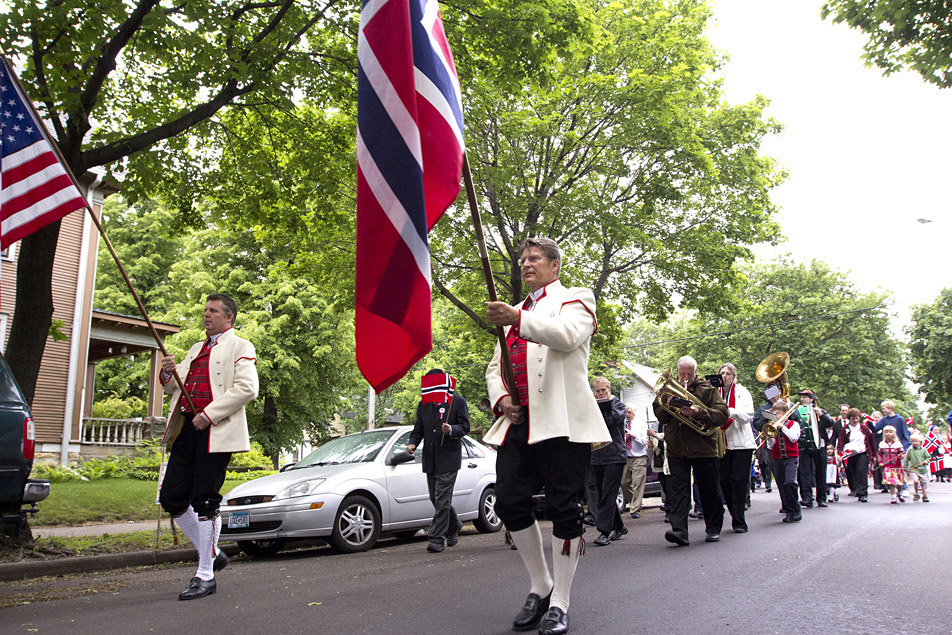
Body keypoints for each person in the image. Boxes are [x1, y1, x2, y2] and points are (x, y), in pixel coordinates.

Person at [484, 237, 609, 635]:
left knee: (564, 508)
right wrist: (502, 398)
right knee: (509, 501)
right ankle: (540, 585)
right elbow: (495, 366)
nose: (526, 264)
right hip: (520, 424)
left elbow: (567, 335)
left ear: (554, 265)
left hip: (562, 422)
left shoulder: (575, 298)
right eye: (522, 259)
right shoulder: (516, 311)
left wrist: (516, 320)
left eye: (534, 258)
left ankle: (561, 603)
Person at [159, 294, 258, 600]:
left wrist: (209, 415)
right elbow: (175, 386)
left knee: (205, 501)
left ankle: (205, 575)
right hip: (187, 430)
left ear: (229, 317)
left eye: (213, 311)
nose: (206, 315)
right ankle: (212, 552)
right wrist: (167, 371)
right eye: (205, 310)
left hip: (216, 432)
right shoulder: (195, 349)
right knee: (172, 497)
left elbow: (247, 388)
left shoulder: (241, 346)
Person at [652, 356, 729, 546]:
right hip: (677, 448)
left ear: (695, 372)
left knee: (708, 488)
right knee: (677, 490)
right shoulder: (668, 390)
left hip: (703, 448)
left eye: (689, 374)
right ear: (677, 373)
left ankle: (713, 528)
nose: (685, 377)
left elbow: (722, 414)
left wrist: (698, 413)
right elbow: (659, 413)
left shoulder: (708, 389)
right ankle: (679, 530)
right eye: (682, 374)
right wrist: (667, 405)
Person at [408, 369, 471, 553]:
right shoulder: (423, 404)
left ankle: (436, 538)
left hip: (449, 458)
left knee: (442, 499)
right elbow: (418, 429)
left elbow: (465, 426)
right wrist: (412, 444)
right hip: (430, 459)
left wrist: (451, 430)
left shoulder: (457, 402)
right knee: (435, 498)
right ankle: (454, 526)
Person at [716, 363, 756, 533]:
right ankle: (735, 514)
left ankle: (739, 521)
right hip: (722, 444)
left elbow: (748, 415)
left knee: (739, 482)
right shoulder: (714, 393)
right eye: (722, 373)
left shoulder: (742, 391)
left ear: (733, 376)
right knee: (724, 482)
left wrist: (728, 411)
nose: (725, 376)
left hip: (741, 444)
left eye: (728, 373)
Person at [589, 378, 628, 546]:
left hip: (614, 455)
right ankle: (619, 526)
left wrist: (603, 410)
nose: (600, 393)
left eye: (603, 390)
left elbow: (614, 420)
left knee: (609, 492)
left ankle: (604, 531)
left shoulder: (618, 405)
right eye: (597, 391)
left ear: (609, 389)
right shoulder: (591, 406)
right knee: (601, 493)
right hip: (596, 455)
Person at [794, 390, 834, 508]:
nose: (802, 399)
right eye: (801, 397)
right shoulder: (798, 411)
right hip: (804, 446)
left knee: (821, 472)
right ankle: (807, 498)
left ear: (811, 399)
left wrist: (822, 414)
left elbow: (829, 423)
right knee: (804, 471)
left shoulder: (819, 410)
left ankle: (821, 498)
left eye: (805, 397)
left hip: (819, 445)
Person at [765, 399, 802, 523]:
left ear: (786, 413)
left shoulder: (793, 424)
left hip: (791, 457)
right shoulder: (773, 426)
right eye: (775, 414)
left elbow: (793, 438)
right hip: (777, 458)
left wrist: (783, 428)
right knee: (781, 484)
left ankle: (796, 510)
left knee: (790, 482)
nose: (777, 416)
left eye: (779, 413)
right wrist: (769, 436)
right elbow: (771, 445)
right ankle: (788, 510)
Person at [837, 408, 877, 503]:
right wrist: (839, 454)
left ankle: (863, 493)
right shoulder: (845, 430)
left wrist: (874, 455)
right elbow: (841, 443)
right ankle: (855, 489)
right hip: (850, 454)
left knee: (861, 471)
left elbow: (871, 442)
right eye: (853, 418)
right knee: (852, 472)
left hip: (862, 453)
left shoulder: (864, 428)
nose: (855, 420)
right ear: (849, 419)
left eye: (857, 418)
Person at [621, 404, 649, 520]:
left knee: (637, 483)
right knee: (624, 482)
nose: (627, 415)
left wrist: (634, 436)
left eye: (629, 412)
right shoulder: (623, 425)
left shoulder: (640, 424)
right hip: (626, 457)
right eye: (626, 412)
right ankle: (636, 502)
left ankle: (635, 509)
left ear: (634, 413)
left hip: (639, 457)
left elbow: (644, 442)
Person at [877, 425, 906, 503]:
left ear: (894, 433)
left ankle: (900, 493)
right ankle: (893, 497)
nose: (888, 434)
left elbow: (902, 453)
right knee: (891, 482)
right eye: (886, 432)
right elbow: (879, 454)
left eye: (890, 432)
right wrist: (880, 462)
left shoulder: (898, 443)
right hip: (888, 466)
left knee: (899, 482)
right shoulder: (882, 444)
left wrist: (901, 456)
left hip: (897, 466)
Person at [903, 434, 930, 502]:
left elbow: (928, 457)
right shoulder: (910, 450)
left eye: (916, 441)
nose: (914, 443)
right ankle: (916, 493)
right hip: (913, 469)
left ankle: (924, 495)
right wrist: (905, 467)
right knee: (915, 481)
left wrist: (925, 461)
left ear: (920, 442)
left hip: (922, 469)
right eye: (912, 441)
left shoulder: (923, 450)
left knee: (922, 482)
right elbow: (906, 459)